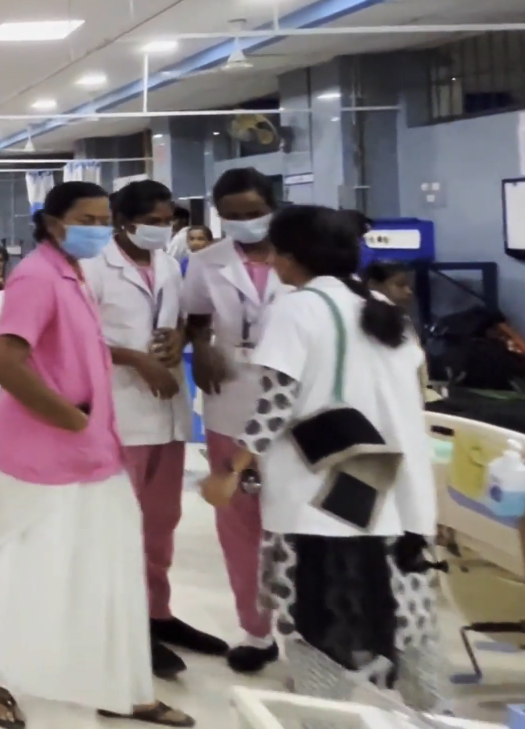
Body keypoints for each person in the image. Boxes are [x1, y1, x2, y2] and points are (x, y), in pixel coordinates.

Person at [0, 181, 192, 728]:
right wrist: (70, 417)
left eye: (103, 218)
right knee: (19, 564)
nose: (98, 229)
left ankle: (122, 687)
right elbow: (7, 360)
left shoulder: (74, 273)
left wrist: (87, 426)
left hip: (92, 449)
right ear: (53, 223)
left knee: (108, 565)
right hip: (39, 452)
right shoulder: (38, 276)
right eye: (87, 220)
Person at [199, 206, 439, 713]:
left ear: (290, 257)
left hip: (325, 495)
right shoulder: (382, 305)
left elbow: (276, 402)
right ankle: (428, 714)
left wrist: (234, 467)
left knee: (319, 621)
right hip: (399, 488)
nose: (271, 262)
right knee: (404, 618)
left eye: (275, 252)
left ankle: (324, 714)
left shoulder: (297, 308)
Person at [80, 180, 225, 680]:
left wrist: (179, 338)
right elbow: (77, 337)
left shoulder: (165, 264)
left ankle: (157, 614)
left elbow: (178, 319)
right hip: (120, 412)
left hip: (167, 412)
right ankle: (122, 626)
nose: (163, 230)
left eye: (168, 222)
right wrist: (138, 360)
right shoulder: (94, 267)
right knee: (121, 526)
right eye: (153, 222)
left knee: (162, 522)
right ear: (123, 221)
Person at [181, 166, 283, 672]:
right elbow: (196, 317)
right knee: (242, 523)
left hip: (298, 408)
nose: (244, 223)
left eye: (254, 213)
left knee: (301, 520)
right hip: (231, 399)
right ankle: (256, 631)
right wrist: (201, 350)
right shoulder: (207, 261)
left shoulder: (301, 254)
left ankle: (311, 631)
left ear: (273, 208)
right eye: (231, 216)